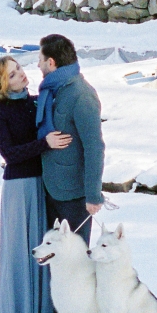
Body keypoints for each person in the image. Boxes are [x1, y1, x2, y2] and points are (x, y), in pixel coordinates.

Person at [0, 54, 71, 313]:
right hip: (20, 188)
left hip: (43, 184)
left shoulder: (37, 102)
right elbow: (10, 154)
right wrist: (43, 144)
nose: (20, 74)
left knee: (44, 253)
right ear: (1, 85)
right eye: (11, 75)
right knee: (22, 254)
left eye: (18, 69)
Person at [36, 33, 105, 244]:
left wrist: (93, 194)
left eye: (39, 59)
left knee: (76, 260)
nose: (37, 65)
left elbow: (94, 147)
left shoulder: (81, 95)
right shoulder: (52, 91)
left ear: (51, 62)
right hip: (50, 189)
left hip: (74, 196)